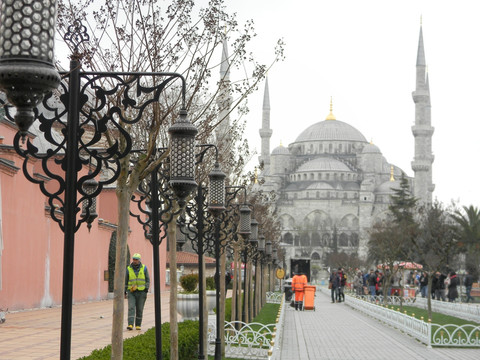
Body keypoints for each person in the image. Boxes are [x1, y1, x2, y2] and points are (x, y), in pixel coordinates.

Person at [125, 253, 150, 330]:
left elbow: (147, 280)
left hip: (142, 292)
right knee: (131, 307)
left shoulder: (144, 268)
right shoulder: (128, 269)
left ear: (139, 260)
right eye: (133, 259)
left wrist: (146, 288)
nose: (134, 261)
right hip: (131, 292)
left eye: (136, 259)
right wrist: (125, 291)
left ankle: (138, 325)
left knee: (139, 308)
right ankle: (130, 324)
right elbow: (125, 280)